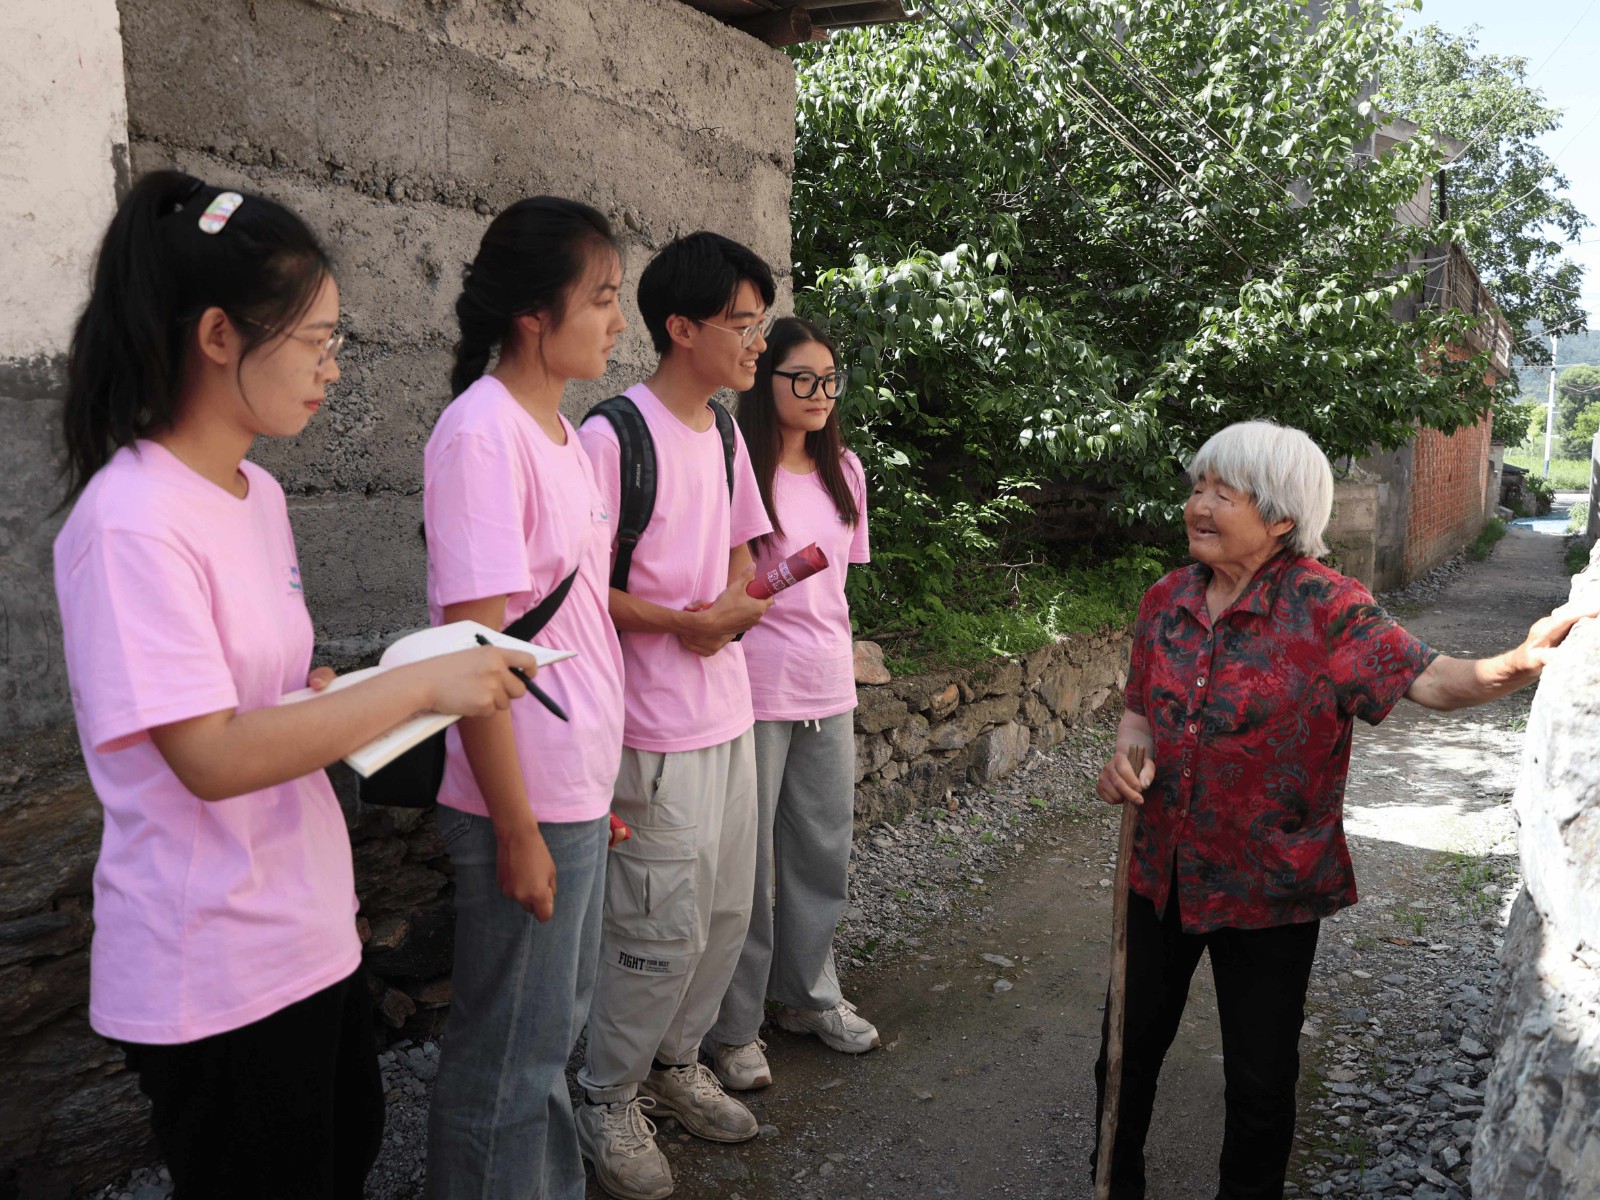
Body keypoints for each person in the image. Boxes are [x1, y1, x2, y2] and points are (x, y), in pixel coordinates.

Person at [51, 171, 538, 1200]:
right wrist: (419, 689)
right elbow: (212, 757)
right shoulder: (132, 519)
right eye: (316, 341)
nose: (331, 368)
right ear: (220, 335)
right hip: (213, 966)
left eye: (336, 340)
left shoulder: (256, 492)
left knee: (342, 1156)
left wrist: (319, 691)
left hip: (305, 928)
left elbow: (252, 699)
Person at [1091, 420, 1598, 1200]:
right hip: (1160, 871)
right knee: (1125, 1056)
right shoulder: (1167, 599)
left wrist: (1519, 663)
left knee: (1259, 1085)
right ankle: (1113, 1183)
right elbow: (1136, 711)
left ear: (1282, 516)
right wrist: (1127, 758)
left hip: (1270, 890)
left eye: (1223, 493)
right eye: (1198, 486)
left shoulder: (1330, 610)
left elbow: (1430, 680)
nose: (1198, 504)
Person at [421, 198, 628, 1200]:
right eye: (600, 299)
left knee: (548, 1037)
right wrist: (516, 826)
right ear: (534, 315)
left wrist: (591, 789)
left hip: (568, 781)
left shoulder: (559, 432)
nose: (614, 323)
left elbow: (573, 622)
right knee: (507, 1055)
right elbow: (477, 654)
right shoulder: (482, 437)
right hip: (523, 792)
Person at [574, 231, 776, 1200]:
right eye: (743, 325)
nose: (756, 344)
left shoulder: (729, 432)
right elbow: (576, 589)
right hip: (648, 729)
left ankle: (675, 1062)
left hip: (726, 716)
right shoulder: (613, 438)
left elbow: (742, 546)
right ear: (680, 327)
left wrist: (731, 603)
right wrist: (685, 624)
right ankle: (604, 1092)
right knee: (652, 926)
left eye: (760, 324)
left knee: (724, 912)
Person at [705, 317, 879, 1092]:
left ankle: (806, 997)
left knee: (820, 852)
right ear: (765, 379)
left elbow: (842, 588)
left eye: (828, 379)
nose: (817, 393)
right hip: (752, 688)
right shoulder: (738, 466)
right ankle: (735, 1028)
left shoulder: (847, 470)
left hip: (826, 686)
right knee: (745, 869)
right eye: (800, 378)